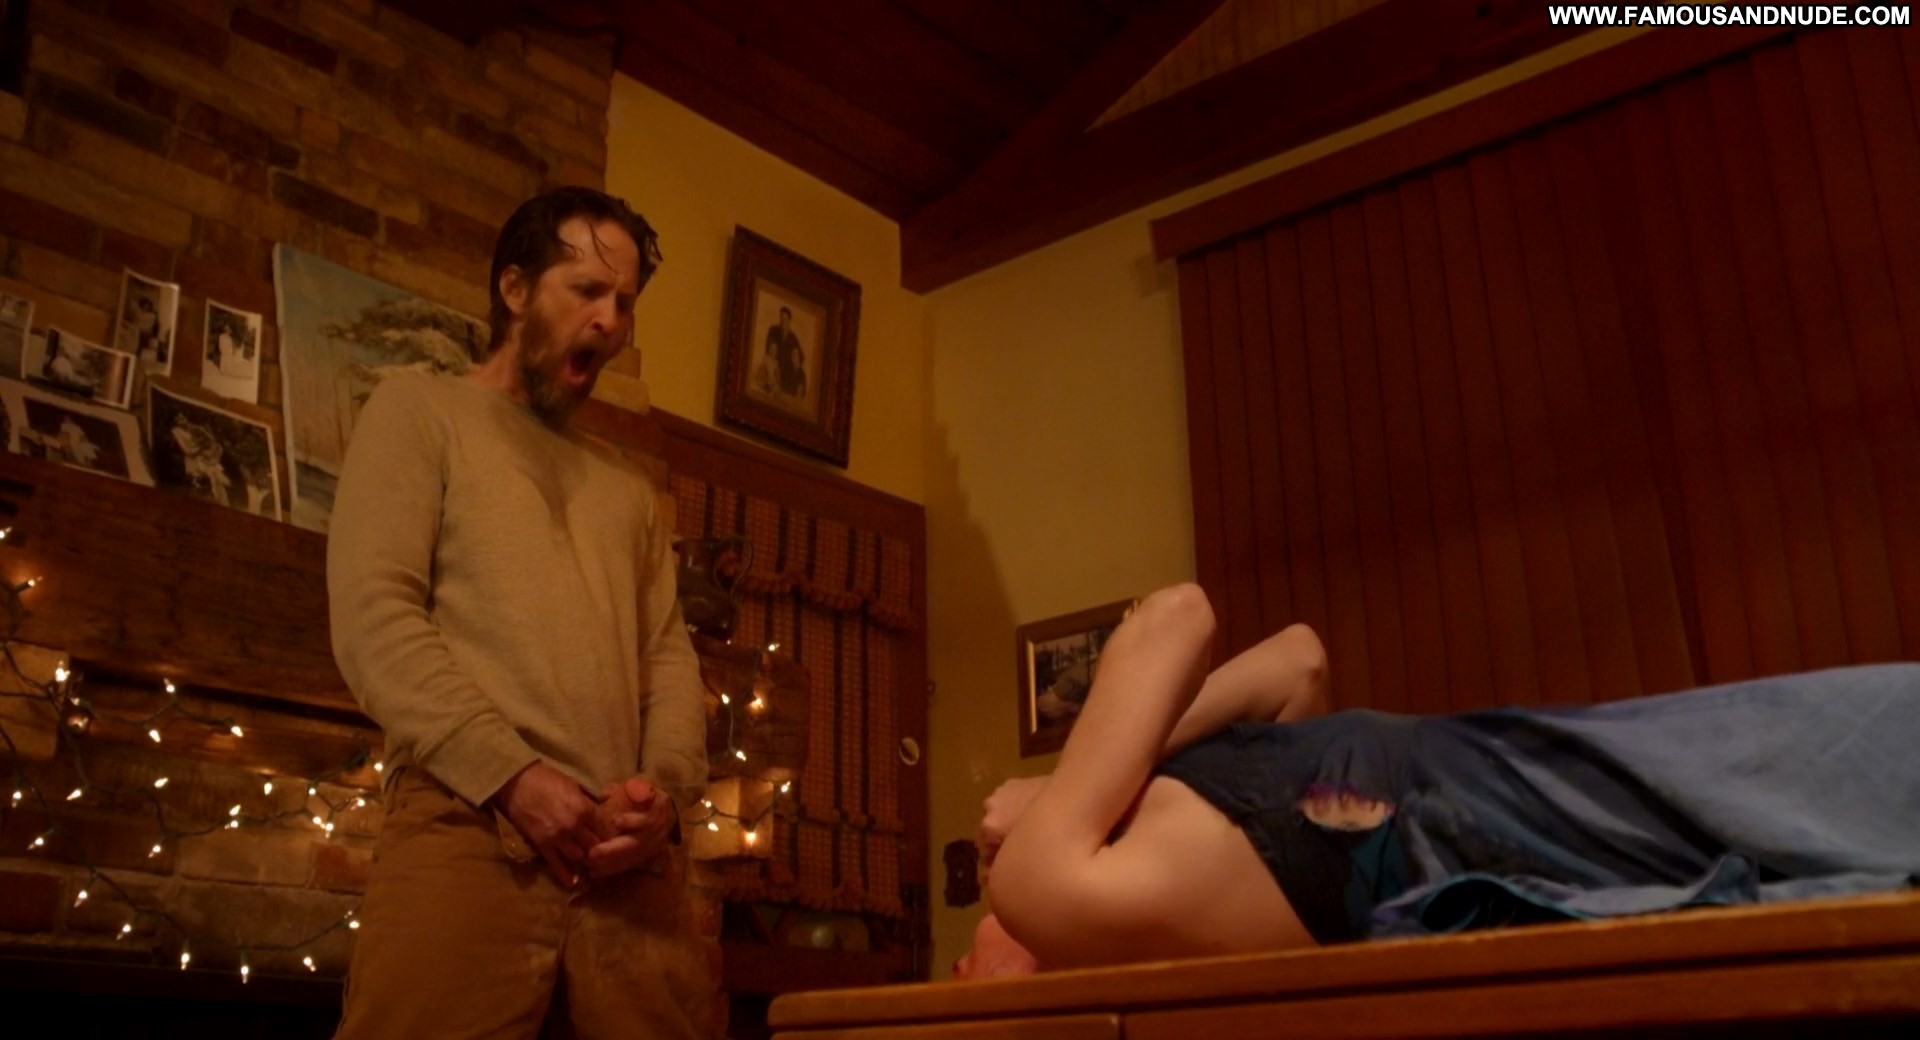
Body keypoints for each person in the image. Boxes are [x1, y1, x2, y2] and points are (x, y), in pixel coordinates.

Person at [963, 584, 1920, 977]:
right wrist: (1051, 797)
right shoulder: (1048, 896)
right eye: (964, 973)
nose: (962, 963)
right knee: (1821, 767)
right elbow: (1176, 616)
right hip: (1483, 821)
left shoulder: (1129, 850)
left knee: (1807, 750)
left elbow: (1297, 661)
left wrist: (1105, 777)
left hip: (1491, 768)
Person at [327, 188, 711, 1038]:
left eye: (624, 303)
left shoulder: (627, 488)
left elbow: (668, 658)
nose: (610, 320)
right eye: (587, 290)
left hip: (625, 871)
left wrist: (664, 797)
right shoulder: (418, 411)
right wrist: (512, 776)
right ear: (514, 289)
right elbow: (374, 618)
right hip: (466, 832)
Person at [764, 306, 805, 400]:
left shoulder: (793, 339)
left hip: (786, 375)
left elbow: (801, 358)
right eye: (781, 318)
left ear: (790, 320)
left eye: (785, 319)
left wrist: (794, 369)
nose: (783, 321)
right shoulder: (773, 331)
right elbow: (767, 350)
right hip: (771, 369)